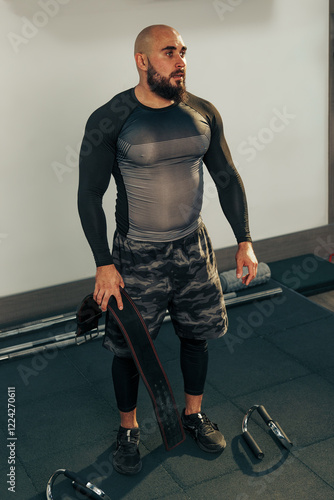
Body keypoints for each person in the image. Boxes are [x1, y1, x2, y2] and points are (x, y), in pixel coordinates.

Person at [78, 24, 258, 475]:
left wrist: (245, 240)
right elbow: (88, 195)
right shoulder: (111, 117)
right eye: (168, 52)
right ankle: (129, 429)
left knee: (196, 335)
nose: (181, 61)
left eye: (183, 52)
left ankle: (192, 415)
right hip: (137, 254)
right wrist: (104, 264)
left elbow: (227, 178)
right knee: (130, 349)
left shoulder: (202, 112)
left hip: (193, 249)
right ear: (142, 61)